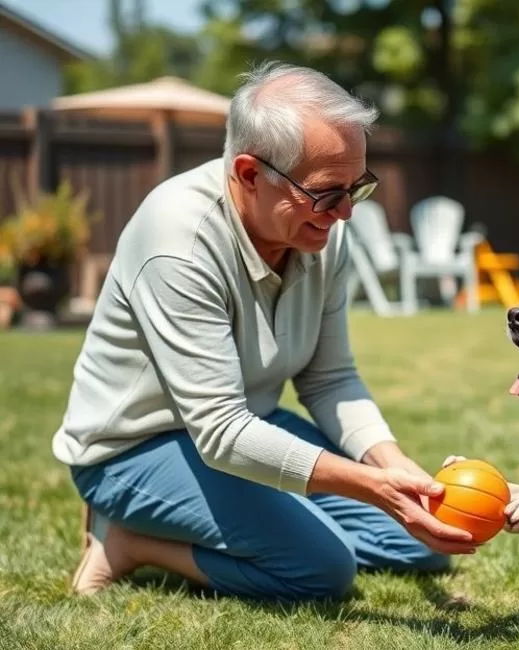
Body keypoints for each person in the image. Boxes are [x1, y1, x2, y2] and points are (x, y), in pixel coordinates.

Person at [51, 61, 477, 603]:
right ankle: (131, 540)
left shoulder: (321, 232)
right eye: (327, 193)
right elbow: (221, 429)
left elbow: (330, 379)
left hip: (250, 426)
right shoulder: (178, 239)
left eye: (357, 188)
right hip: (135, 450)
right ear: (250, 174)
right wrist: (370, 488)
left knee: (419, 543)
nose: (345, 213)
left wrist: (395, 470)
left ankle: (270, 530)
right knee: (323, 570)